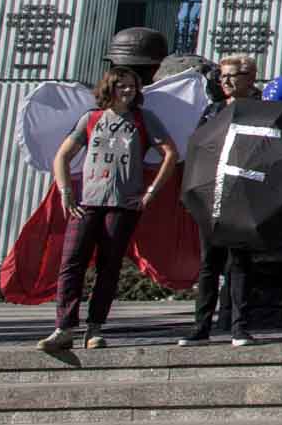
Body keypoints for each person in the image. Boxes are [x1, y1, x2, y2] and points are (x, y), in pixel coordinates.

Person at [38, 68, 181, 351]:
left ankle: (94, 328)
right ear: (109, 88)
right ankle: (63, 328)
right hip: (88, 203)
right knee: (71, 264)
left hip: (122, 205)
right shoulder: (91, 118)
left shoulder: (143, 119)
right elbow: (62, 157)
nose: (127, 91)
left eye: (132, 86)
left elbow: (171, 153)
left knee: (109, 267)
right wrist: (67, 192)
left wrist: (150, 193)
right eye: (121, 86)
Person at [178, 54, 262, 347]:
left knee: (238, 263)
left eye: (231, 76)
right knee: (209, 264)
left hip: (244, 197)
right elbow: (198, 148)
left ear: (249, 78)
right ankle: (201, 327)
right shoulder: (212, 111)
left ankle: (239, 327)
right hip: (213, 196)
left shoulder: (261, 111)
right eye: (222, 77)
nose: (225, 82)